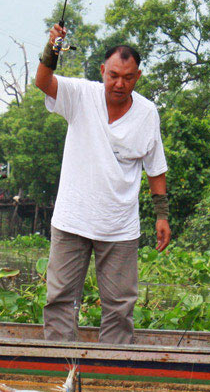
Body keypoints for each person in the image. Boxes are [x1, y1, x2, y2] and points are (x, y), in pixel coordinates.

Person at [35, 23, 170, 344]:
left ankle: (112, 371)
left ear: (137, 77)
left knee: (120, 307)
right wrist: (52, 47)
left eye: (127, 77)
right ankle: (59, 364)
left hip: (120, 226)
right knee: (60, 301)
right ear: (102, 72)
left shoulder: (148, 113)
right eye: (113, 75)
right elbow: (43, 81)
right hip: (72, 219)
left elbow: (155, 169)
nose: (119, 83)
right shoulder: (81, 95)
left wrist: (161, 215)